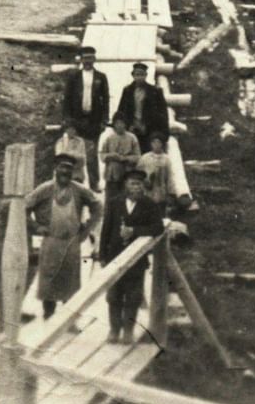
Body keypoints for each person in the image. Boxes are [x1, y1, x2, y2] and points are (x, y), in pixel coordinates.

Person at [26, 154, 100, 318]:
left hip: (72, 241)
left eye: (69, 168)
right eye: (62, 167)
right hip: (51, 240)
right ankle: (48, 316)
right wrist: (36, 226)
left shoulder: (79, 190)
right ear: (56, 169)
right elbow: (24, 207)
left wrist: (87, 229)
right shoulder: (44, 189)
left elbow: (97, 205)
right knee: (49, 279)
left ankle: (69, 321)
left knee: (71, 281)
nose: (65, 171)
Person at [100, 171, 166, 344]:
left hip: (137, 259)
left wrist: (135, 231)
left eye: (139, 184)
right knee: (114, 295)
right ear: (125, 186)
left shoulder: (149, 204)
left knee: (133, 295)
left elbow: (158, 227)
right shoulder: (115, 203)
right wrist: (102, 256)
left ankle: (128, 331)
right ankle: (114, 330)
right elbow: (106, 229)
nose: (136, 187)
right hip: (115, 256)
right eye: (132, 184)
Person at [59, 46, 109, 188]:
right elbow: (67, 99)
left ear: (94, 59)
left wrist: (105, 120)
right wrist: (68, 122)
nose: (88, 61)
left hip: (94, 120)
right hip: (76, 120)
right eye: (85, 58)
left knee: (92, 155)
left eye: (90, 58)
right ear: (80, 60)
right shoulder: (73, 77)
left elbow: (105, 100)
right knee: (74, 153)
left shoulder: (101, 77)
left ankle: (94, 184)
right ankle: (74, 184)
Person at [113, 61, 170, 150]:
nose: (139, 77)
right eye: (137, 74)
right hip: (131, 128)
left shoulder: (155, 91)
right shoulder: (127, 91)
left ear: (146, 75)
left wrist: (164, 134)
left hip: (149, 130)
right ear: (133, 75)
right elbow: (121, 111)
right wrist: (127, 126)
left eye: (142, 75)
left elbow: (163, 113)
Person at [98, 113, 142, 221]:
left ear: (125, 124)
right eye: (117, 123)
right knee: (111, 200)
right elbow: (102, 156)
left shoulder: (132, 138)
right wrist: (111, 156)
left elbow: (137, 157)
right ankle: (110, 220)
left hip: (126, 174)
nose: (119, 126)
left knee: (125, 200)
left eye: (122, 123)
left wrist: (125, 159)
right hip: (112, 175)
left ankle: (126, 221)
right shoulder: (109, 138)